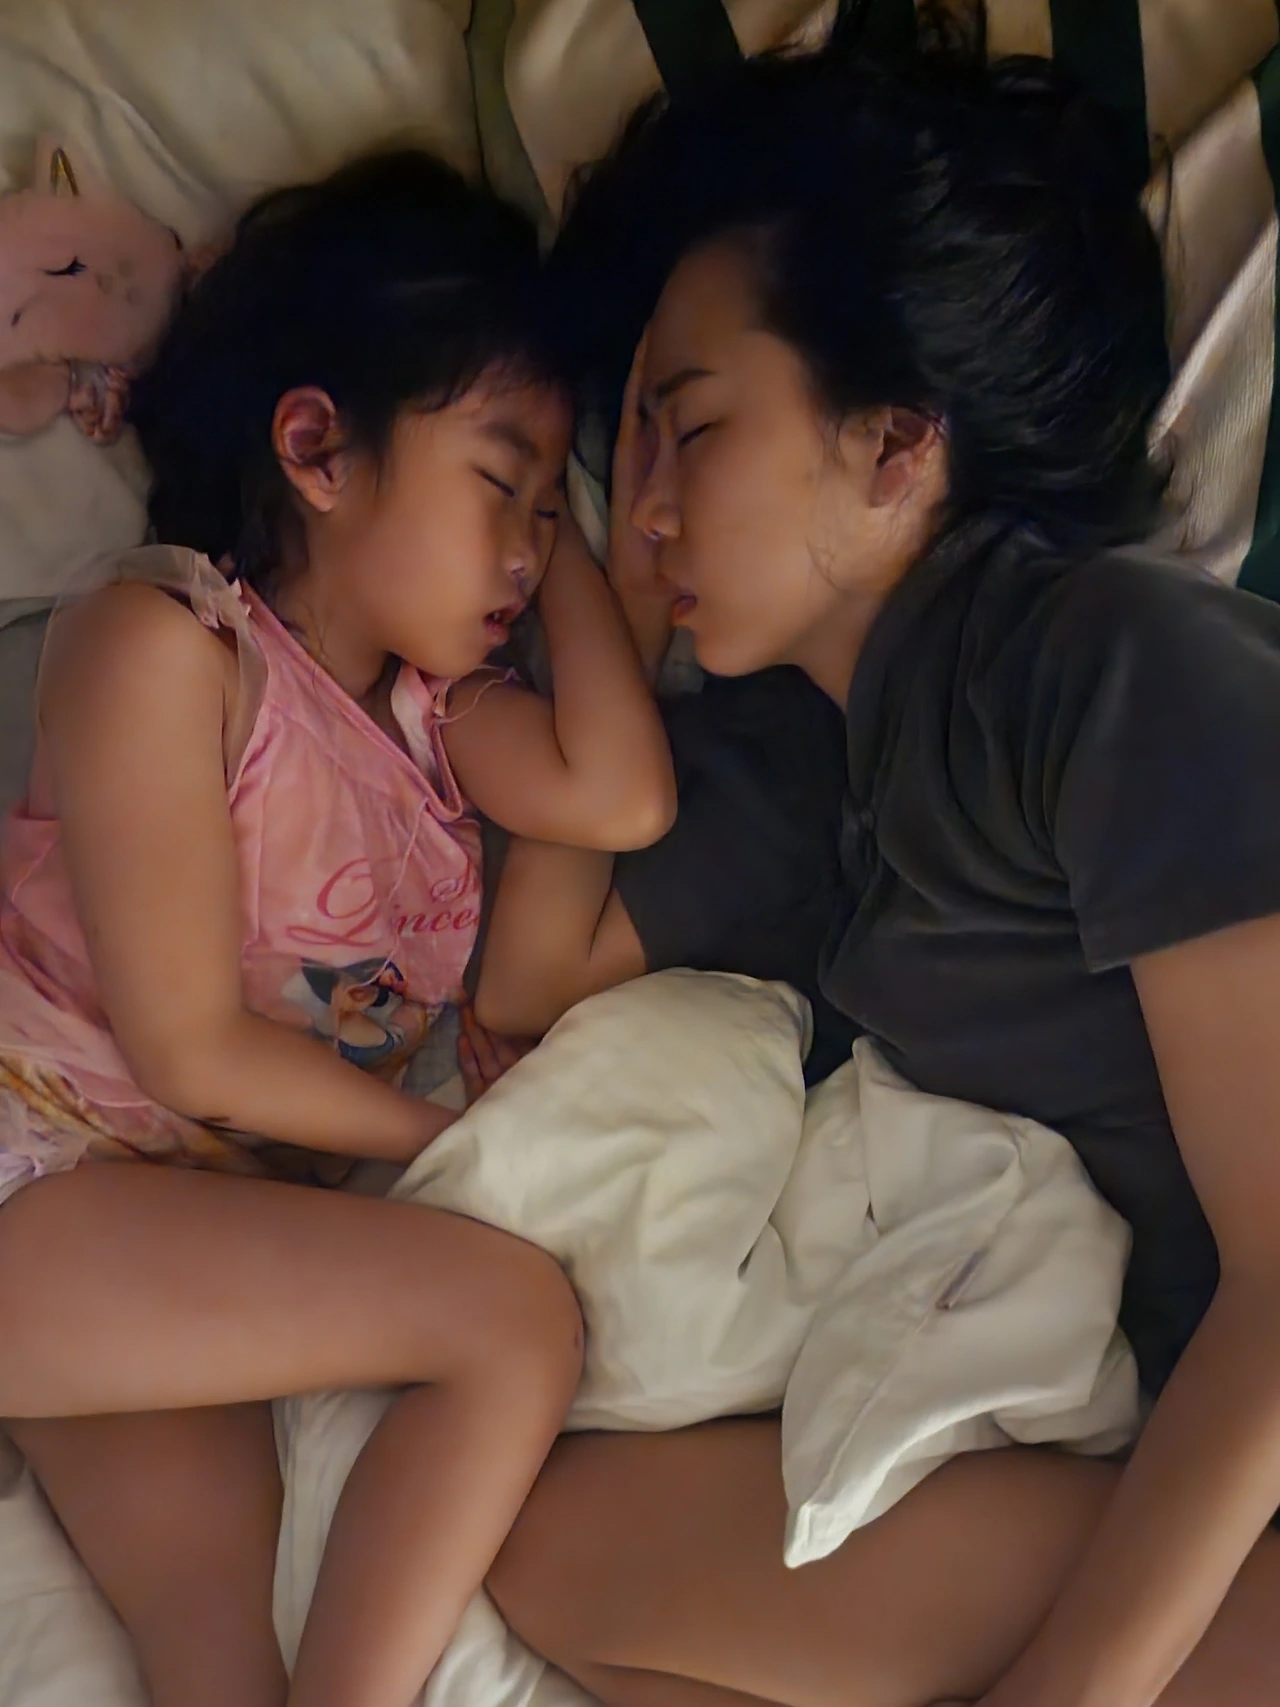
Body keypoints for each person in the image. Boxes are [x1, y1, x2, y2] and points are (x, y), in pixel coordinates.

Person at [484, 7, 1280, 1704]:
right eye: (628, 450)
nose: (647, 502)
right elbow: (529, 978)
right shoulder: (802, 772)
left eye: (690, 429)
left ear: (899, 443)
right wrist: (603, 601)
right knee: (554, 1551)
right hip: (1166, 1477)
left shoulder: (1116, 666)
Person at [0, 150, 675, 1707]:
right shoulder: (164, 645)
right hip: (43, 1169)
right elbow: (190, 1049)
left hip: (175, 1216)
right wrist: (449, 1147)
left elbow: (620, 793)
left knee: (221, 1656)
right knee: (511, 1318)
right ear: (315, 446)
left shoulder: (444, 720)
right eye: (498, 482)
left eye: (543, 504)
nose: (523, 546)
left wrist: (568, 544)